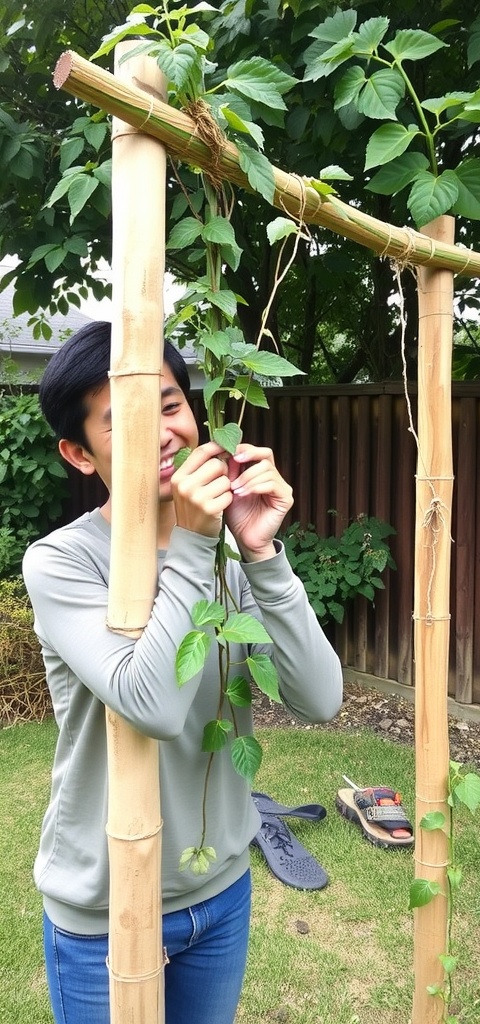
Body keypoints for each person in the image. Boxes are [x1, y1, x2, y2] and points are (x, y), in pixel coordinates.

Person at [23, 320, 343, 1024]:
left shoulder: (229, 552)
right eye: (127, 422)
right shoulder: (62, 562)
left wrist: (261, 554)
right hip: (101, 906)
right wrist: (198, 545)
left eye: (170, 406)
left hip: (219, 889)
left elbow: (319, 698)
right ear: (78, 454)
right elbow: (153, 706)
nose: (164, 432)